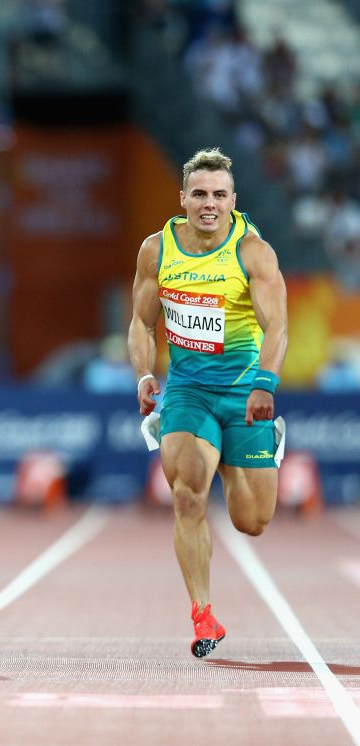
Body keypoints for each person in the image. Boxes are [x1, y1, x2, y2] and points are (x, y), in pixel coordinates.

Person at [128, 147, 288, 658]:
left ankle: (240, 450)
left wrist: (265, 383)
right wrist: (145, 373)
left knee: (252, 521)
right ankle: (203, 615)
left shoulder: (253, 252)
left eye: (219, 194)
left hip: (244, 395)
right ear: (183, 199)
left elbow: (278, 326)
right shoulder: (157, 250)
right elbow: (140, 321)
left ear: (233, 200)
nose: (209, 204)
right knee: (186, 495)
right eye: (199, 194)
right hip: (188, 393)